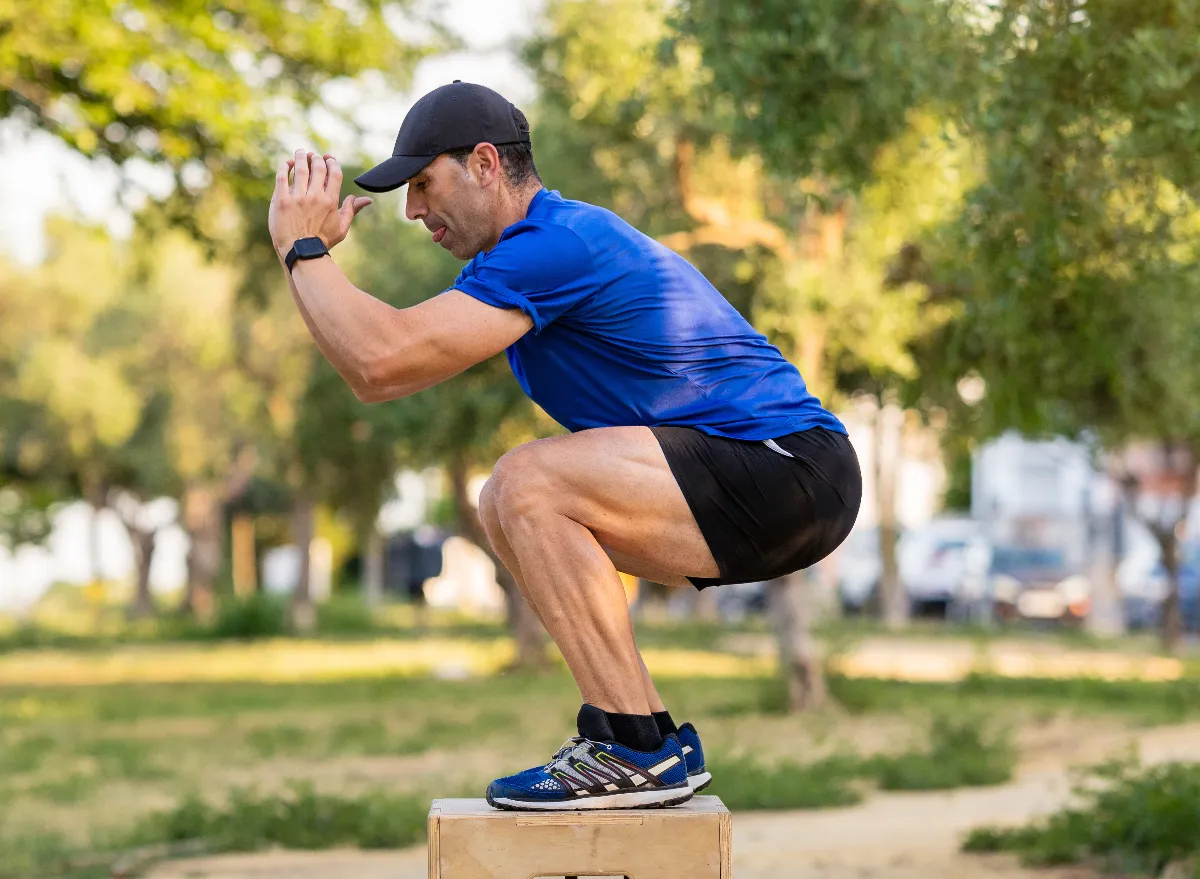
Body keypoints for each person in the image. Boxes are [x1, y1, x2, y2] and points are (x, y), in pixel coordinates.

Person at [267, 81, 862, 811]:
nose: (415, 210)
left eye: (424, 184)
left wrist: (302, 250)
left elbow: (383, 359)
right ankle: (644, 740)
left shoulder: (557, 243)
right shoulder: (518, 259)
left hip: (789, 467)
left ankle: (633, 747)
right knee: (508, 506)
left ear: (485, 163)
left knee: (527, 483)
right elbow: (372, 373)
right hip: (758, 477)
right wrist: (306, 259)